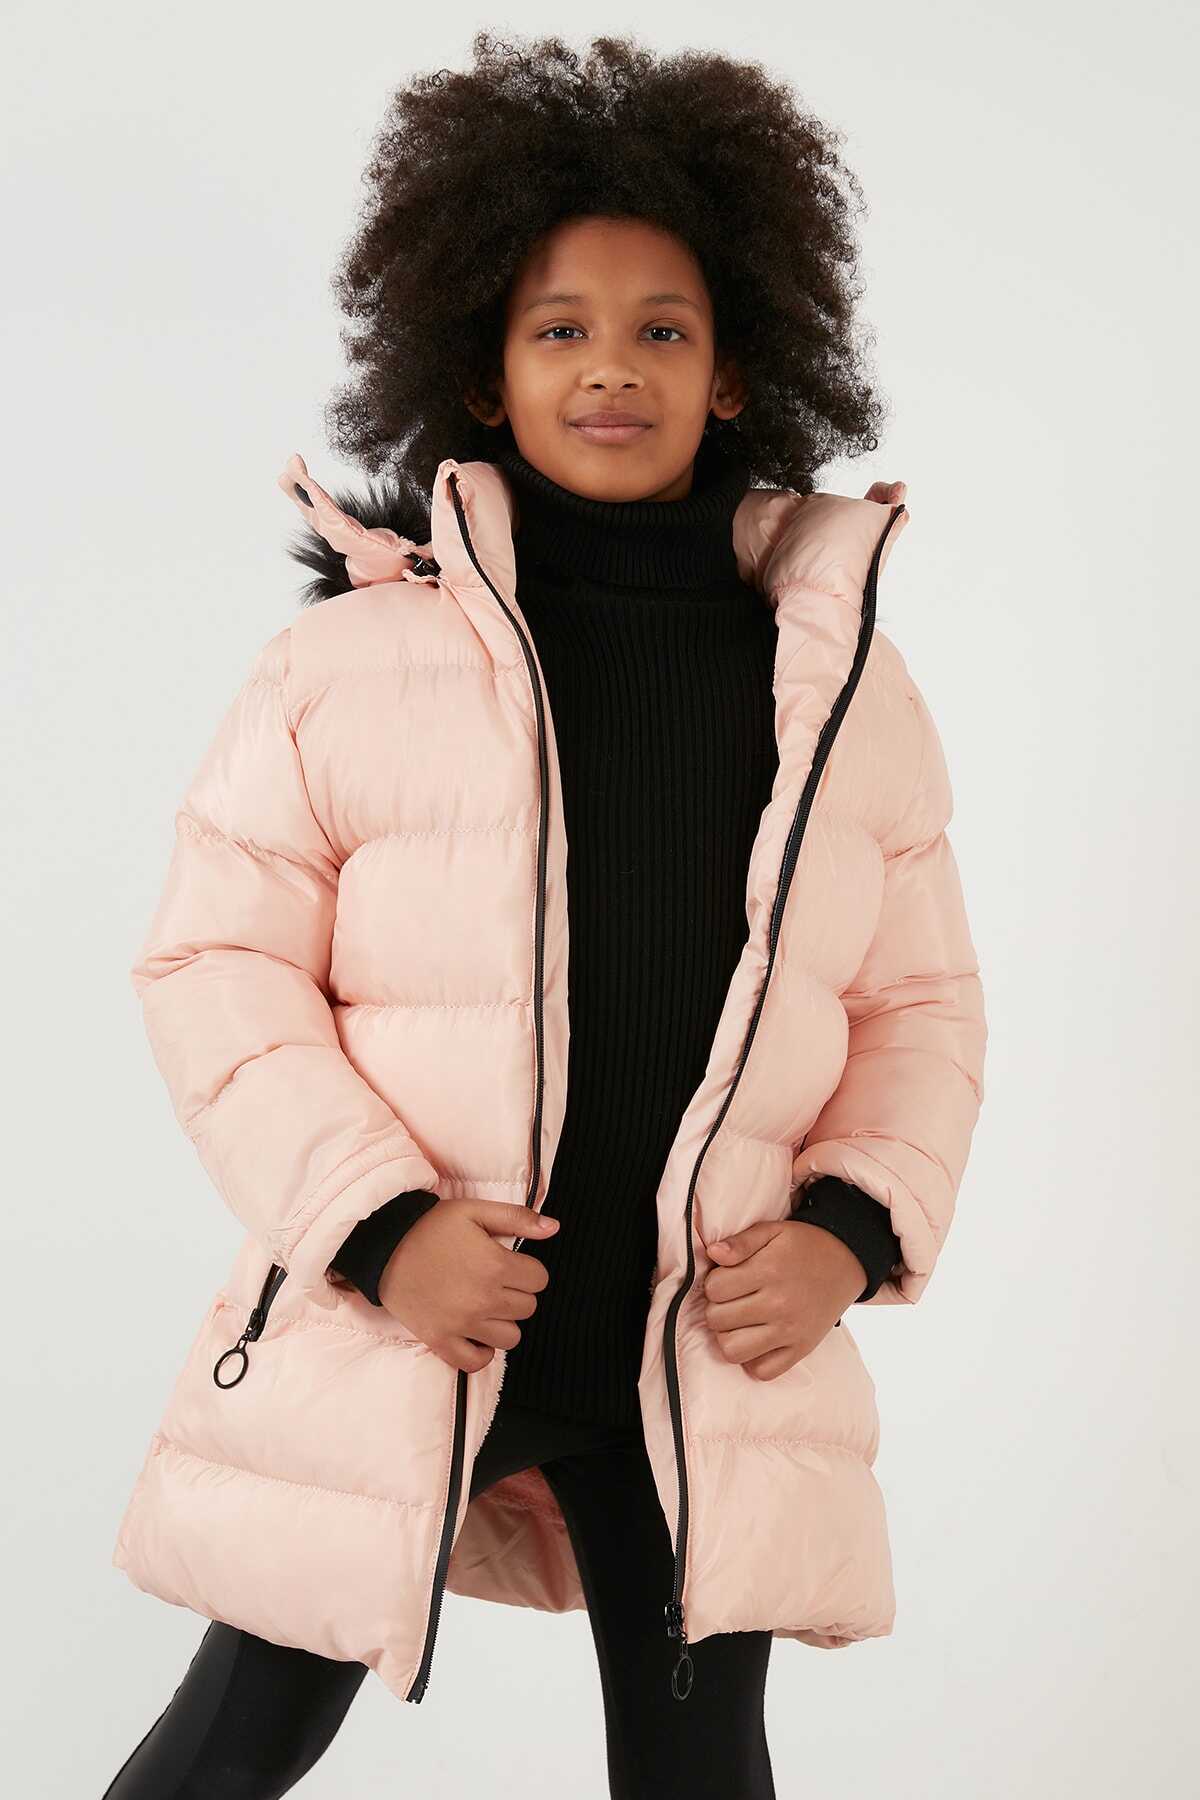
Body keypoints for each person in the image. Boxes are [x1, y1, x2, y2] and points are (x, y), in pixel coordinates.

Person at [103, 29, 987, 1799]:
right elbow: (219, 969)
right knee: (236, 1737)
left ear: (735, 373)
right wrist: (377, 1230)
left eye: (662, 330)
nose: (611, 368)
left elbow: (919, 1009)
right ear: (482, 373)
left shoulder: (839, 690)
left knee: (700, 1762)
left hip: (700, 1342)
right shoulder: (349, 665)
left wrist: (845, 1227)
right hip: (417, 1318)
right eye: (559, 328)